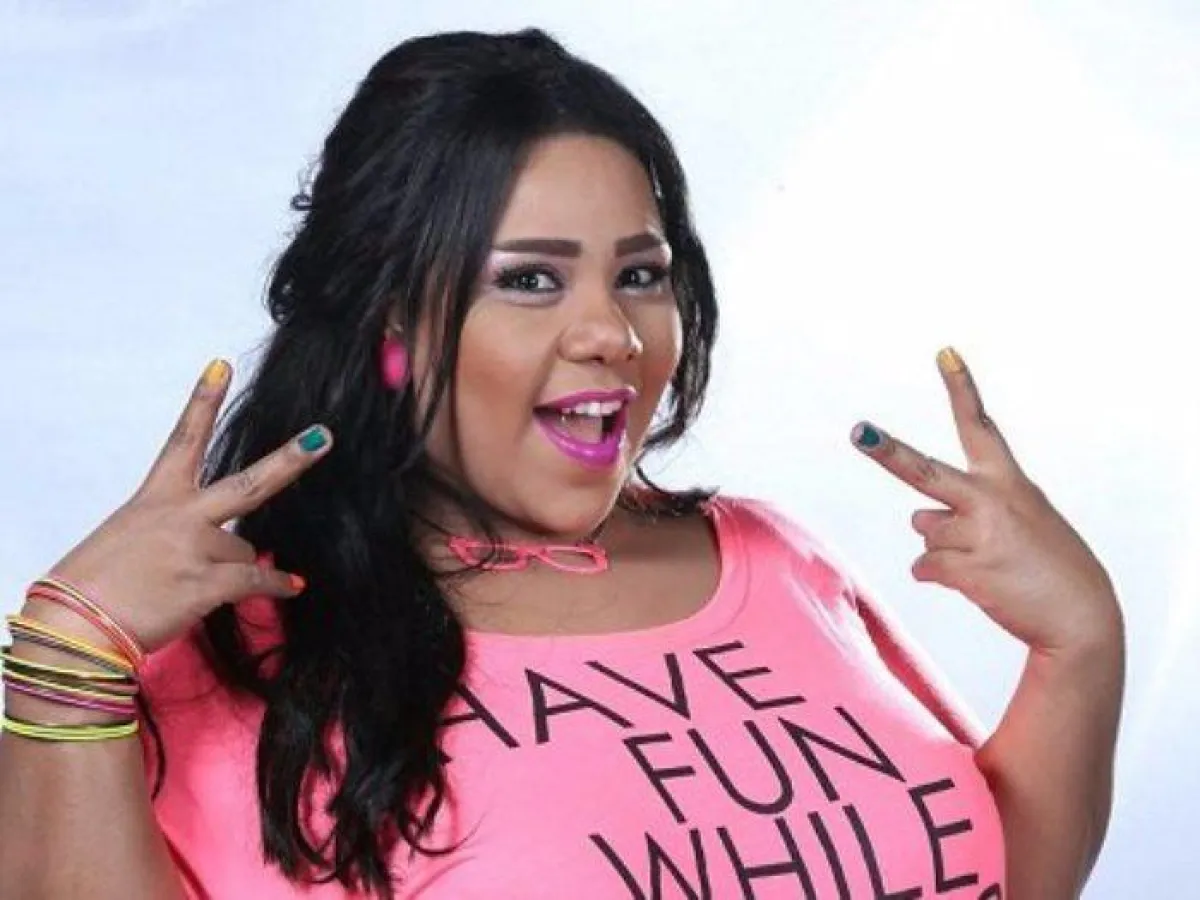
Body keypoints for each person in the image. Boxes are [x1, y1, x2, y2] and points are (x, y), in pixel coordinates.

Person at [0, 28, 1124, 900]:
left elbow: (989, 877)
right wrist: (62, 662)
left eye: (640, 274)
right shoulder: (245, 641)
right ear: (392, 324)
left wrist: (1078, 644)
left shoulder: (774, 558)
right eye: (530, 280)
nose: (613, 335)